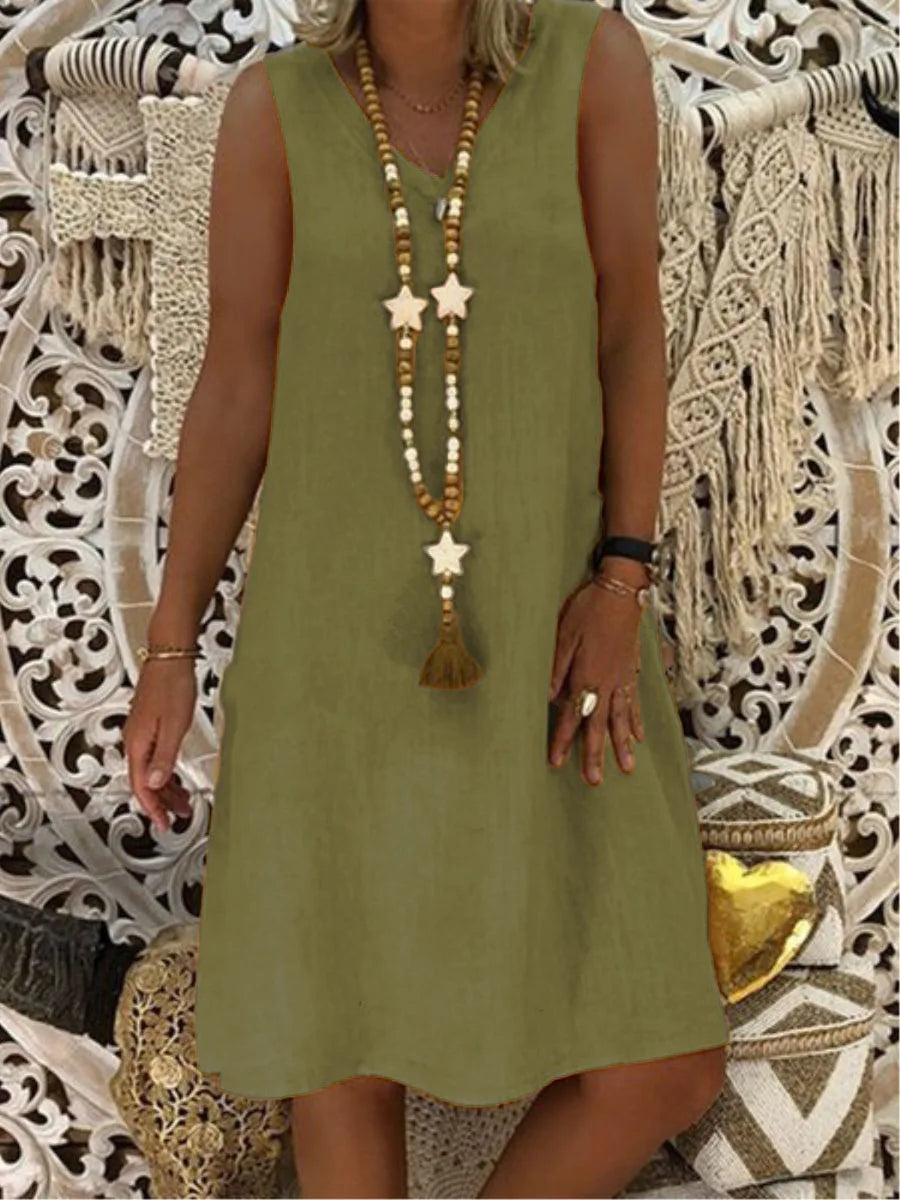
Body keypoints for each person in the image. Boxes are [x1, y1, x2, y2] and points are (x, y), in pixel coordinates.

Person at [123, 0, 731, 1194]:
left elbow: (630, 326)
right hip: (330, 667)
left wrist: (623, 576)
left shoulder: (591, 63)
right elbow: (236, 383)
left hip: (555, 647)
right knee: (346, 1051)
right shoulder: (276, 113)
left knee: (661, 1060)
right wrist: (169, 647)